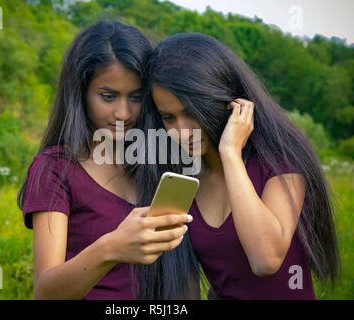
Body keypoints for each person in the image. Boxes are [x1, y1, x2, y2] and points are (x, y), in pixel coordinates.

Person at [134, 32, 340, 299]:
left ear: (224, 100)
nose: (182, 131)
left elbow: (265, 258)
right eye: (168, 117)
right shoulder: (179, 179)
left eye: (191, 112)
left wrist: (230, 153)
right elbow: (180, 281)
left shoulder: (280, 161)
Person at [16, 20, 192, 300]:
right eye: (108, 96)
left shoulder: (161, 160)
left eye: (135, 97)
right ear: (80, 93)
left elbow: (181, 273)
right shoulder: (56, 168)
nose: (123, 113)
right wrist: (111, 248)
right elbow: (44, 292)